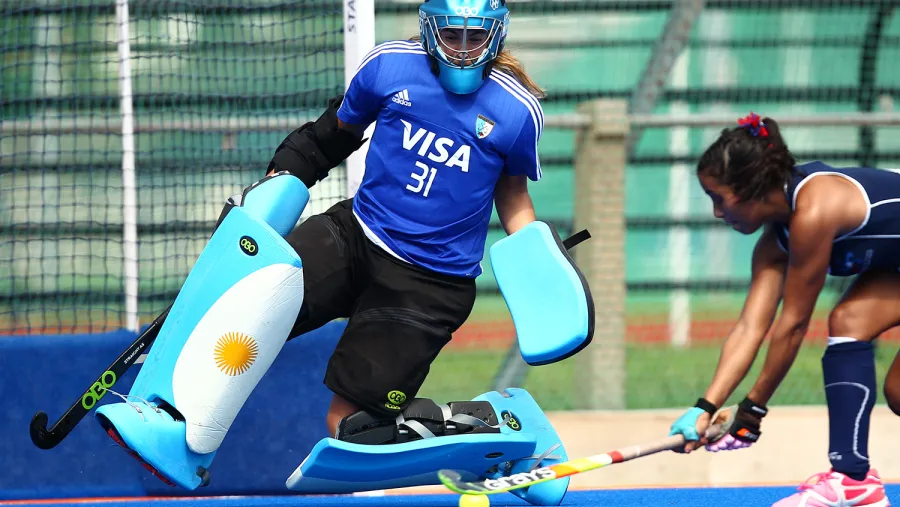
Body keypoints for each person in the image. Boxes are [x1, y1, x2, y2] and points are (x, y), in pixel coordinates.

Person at [95, 1, 578, 502]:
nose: (460, 51)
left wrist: (538, 261)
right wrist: (273, 189)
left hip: (428, 285)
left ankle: (500, 429)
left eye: (473, 38)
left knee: (352, 429)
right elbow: (331, 137)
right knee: (244, 305)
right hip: (353, 236)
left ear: (496, 36)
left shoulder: (516, 111)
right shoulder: (388, 66)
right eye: (449, 35)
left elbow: (513, 197)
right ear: (428, 29)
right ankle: (175, 433)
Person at [667, 112, 898, 507]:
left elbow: (792, 326)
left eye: (719, 198)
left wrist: (752, 411)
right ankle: (857, 482)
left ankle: (851, 479)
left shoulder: (815, 212)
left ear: (753, 188)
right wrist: (704, 408)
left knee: (847, 322)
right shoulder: (776, 243)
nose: (718, 213)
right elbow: (749, 328)